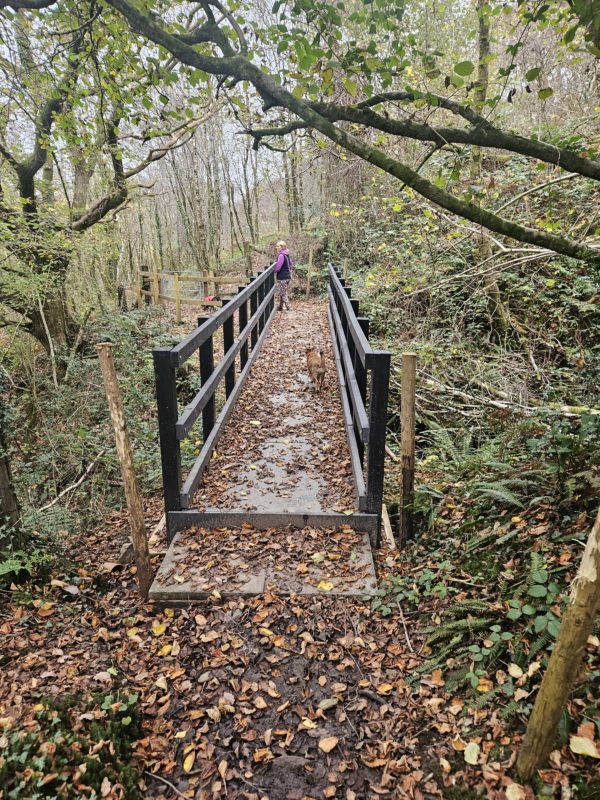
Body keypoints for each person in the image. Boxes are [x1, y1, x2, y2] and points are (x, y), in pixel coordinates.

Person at [274, 240, 292, 311]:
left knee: (283, 292)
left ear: (282, 247)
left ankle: (288, 307)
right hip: (288, 276)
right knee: (282, 291)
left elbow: (278, 268)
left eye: (278, 246)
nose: (276, 247)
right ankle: (280, 307)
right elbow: (291, 264)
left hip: (282, 277)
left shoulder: (281, 255)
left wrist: (273, 270)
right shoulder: (287, 254)